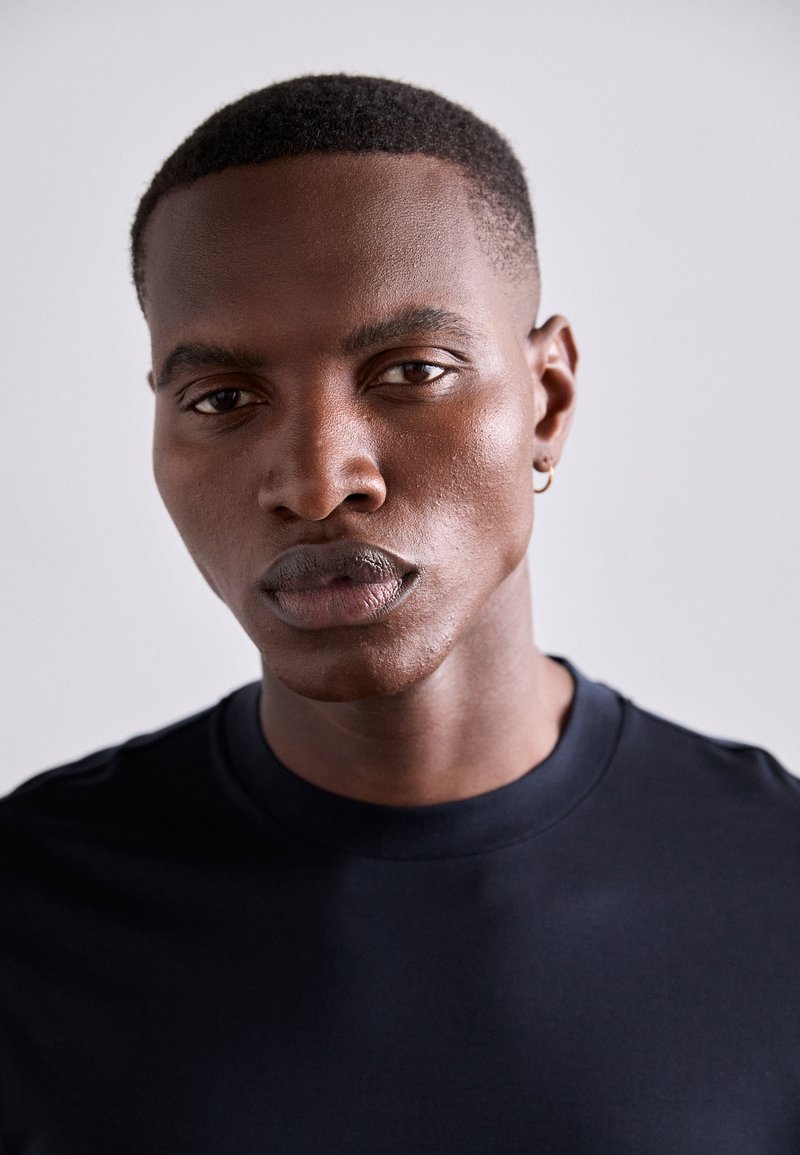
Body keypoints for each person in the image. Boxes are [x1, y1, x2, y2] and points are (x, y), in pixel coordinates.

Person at [1, 74, 798, 1154]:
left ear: (547, 401)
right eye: (222, 399)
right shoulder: (30, 907)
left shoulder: (775, 885)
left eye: (411, 370)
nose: (318, 480)